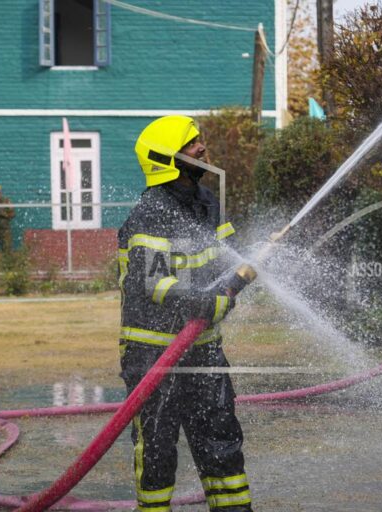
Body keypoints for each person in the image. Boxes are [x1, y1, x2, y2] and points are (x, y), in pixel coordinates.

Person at [119, 115, 257, 512]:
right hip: (154, 357)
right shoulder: (149, 214)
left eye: (199, 141)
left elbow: (231, 260)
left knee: (221, 441)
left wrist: (242, 272)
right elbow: (157, 285)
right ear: (167, 158)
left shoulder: (208, 204)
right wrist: (210, 302)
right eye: (191, 144)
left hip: (205, 352)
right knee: (158, 450)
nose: (202, 148)